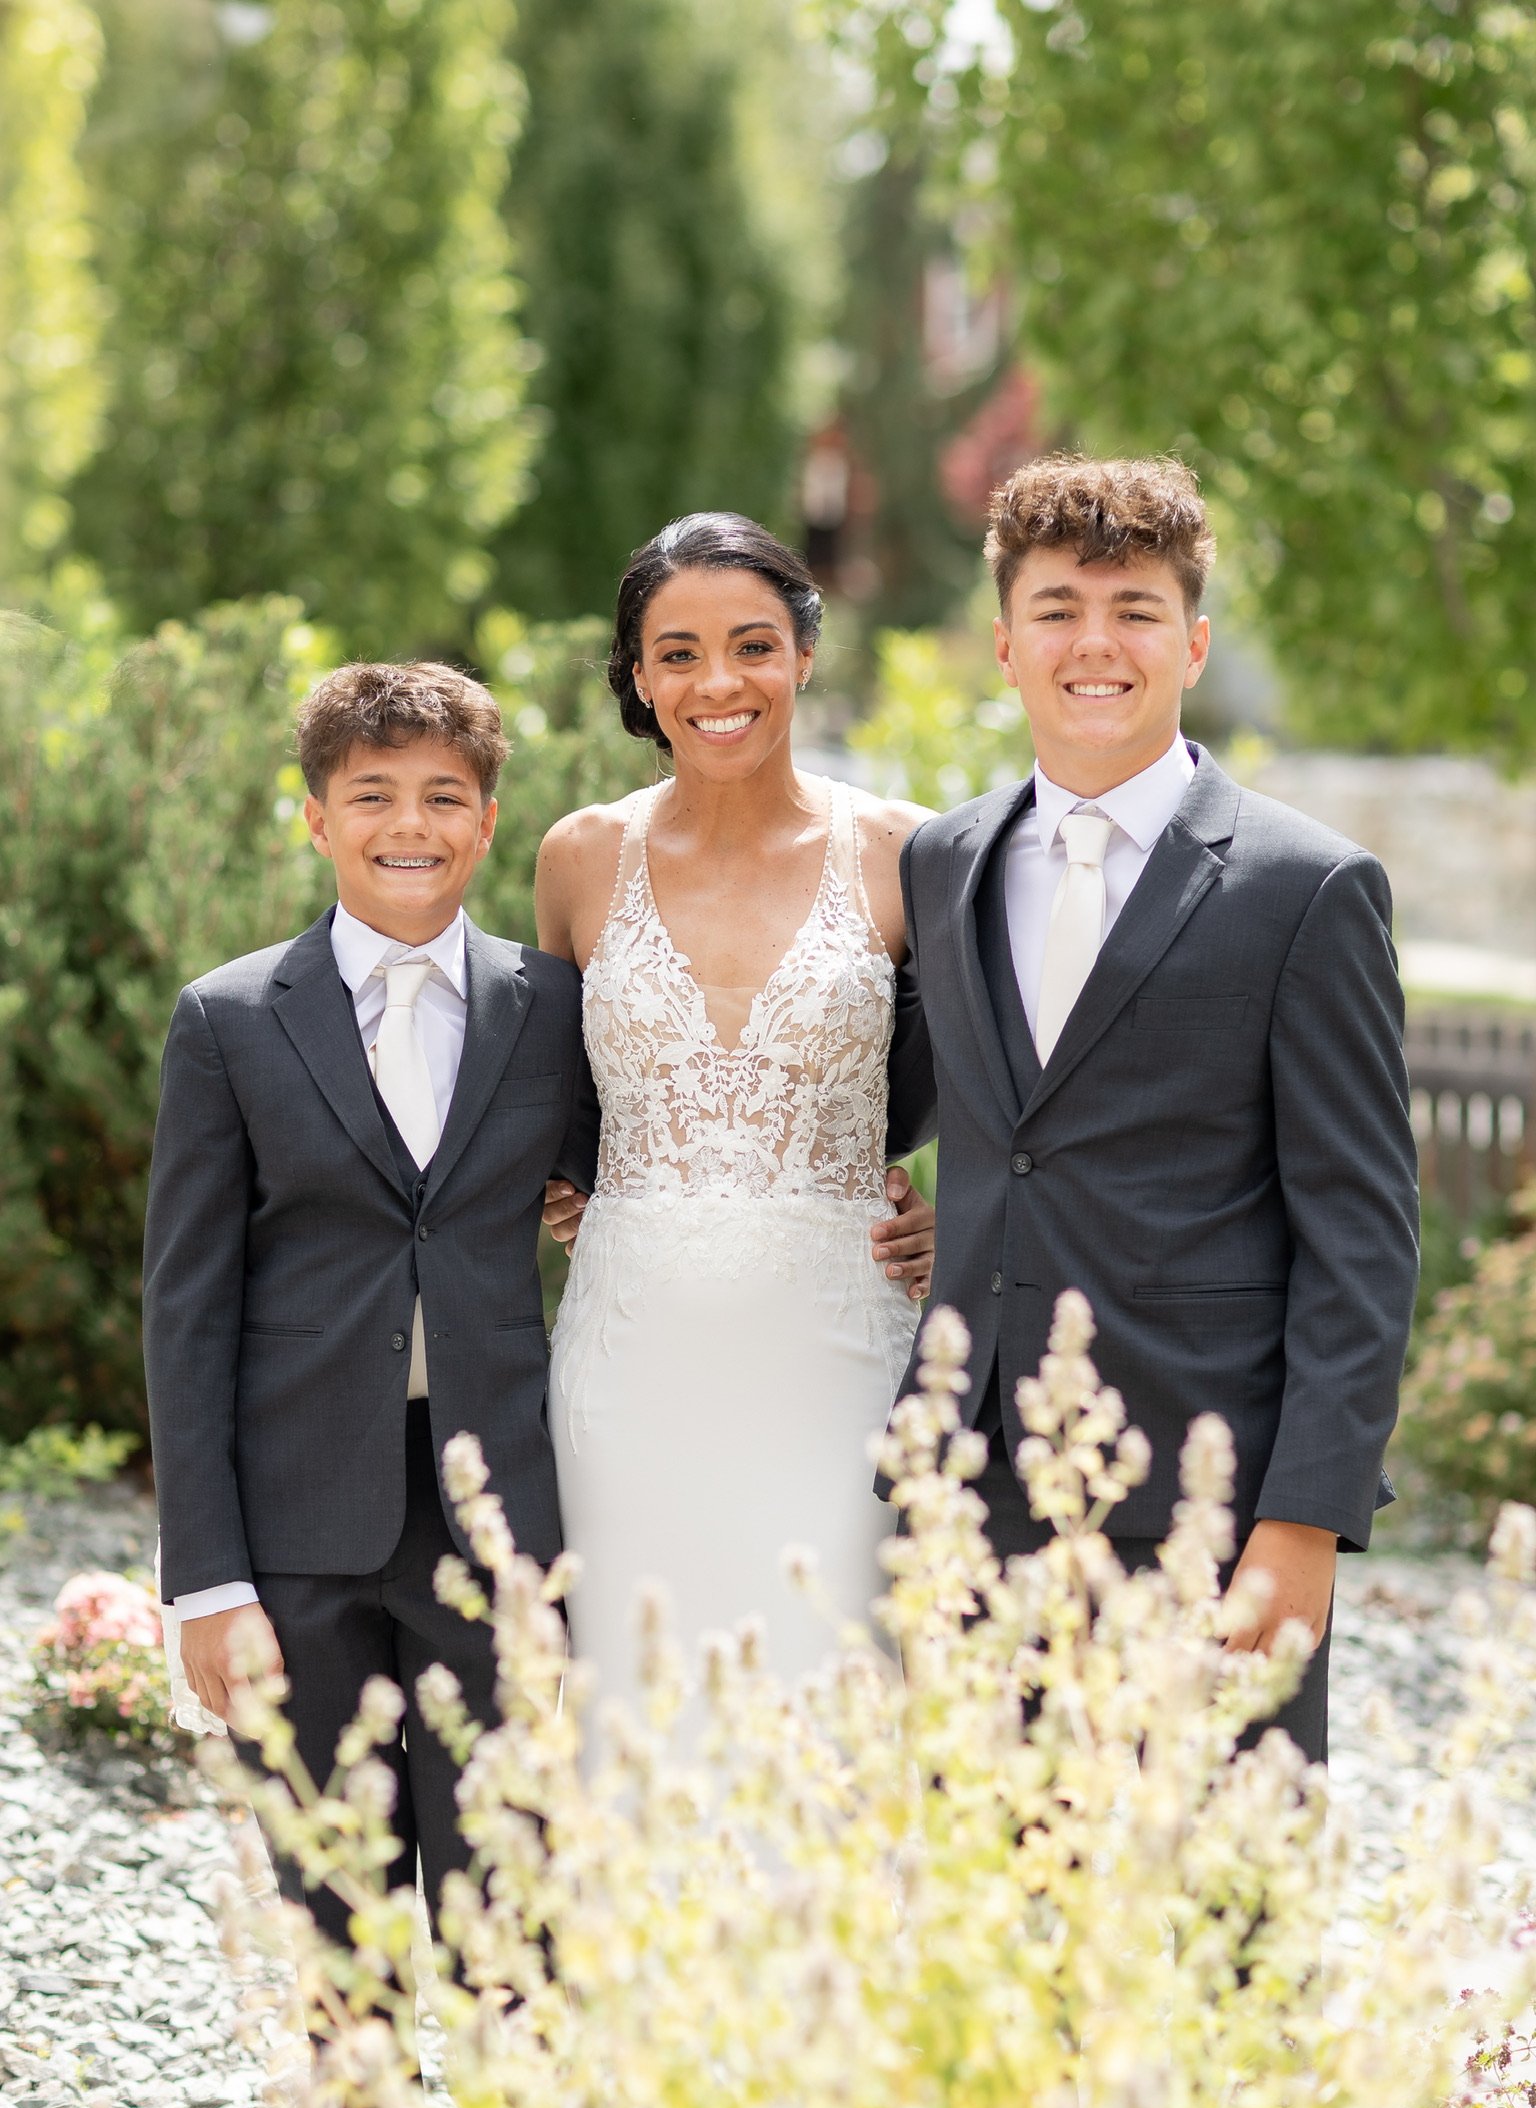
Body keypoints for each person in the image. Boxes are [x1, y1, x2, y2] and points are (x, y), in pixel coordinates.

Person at [892, 454, 1419, 1764]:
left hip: (1205, 1507)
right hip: (975, 1488)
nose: (1096, 643)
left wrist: (1302, 1528)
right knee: (998, 1927)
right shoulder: (942, 861)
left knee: (1228, 1927)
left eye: (1134, 609)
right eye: (1060, 608)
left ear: (1190, 642)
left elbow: (1363, 1241)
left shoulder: (1309, 888)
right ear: (1006, 644)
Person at [143, 662, 598, 1946]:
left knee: (506, 1905)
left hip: (496, 1513)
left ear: (489, 822)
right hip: (298, 1527)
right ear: (317, 818)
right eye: (373, 796)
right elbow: (186, 1311)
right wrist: (208, 1582)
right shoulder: (229, 1022)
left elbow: (628, 1173)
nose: (411, 827)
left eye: (445, 797)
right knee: (334, 1907)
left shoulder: (551, 1009)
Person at [536, 513, 938, 1706]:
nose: (720, 682)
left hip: (839, 1355)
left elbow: (984, 1095)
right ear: (641, 677)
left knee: (829, 1694)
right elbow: (542, 1090)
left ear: (806, 654)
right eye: (679, 652)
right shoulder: (577, 859)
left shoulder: (904, 855)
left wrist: (943, 1223)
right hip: (629, 1357)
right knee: (636, 1699)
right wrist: (557, 1183)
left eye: (753, 644)